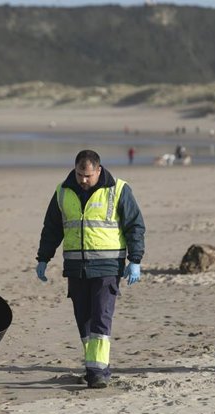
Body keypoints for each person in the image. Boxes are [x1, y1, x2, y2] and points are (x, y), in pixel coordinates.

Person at [35, 150, 145, 389]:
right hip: (76, 267)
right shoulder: (62, 191)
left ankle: (98, 372)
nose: (83, 180)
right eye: (79, 174)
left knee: (101, 317)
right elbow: (52, 227)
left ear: (98, 170)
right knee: (83, 318)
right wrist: (43, 257)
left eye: (87, 175)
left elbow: (134, 225)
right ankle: (94, 365)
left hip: (107, 266)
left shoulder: (119, 189)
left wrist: (135, 260)